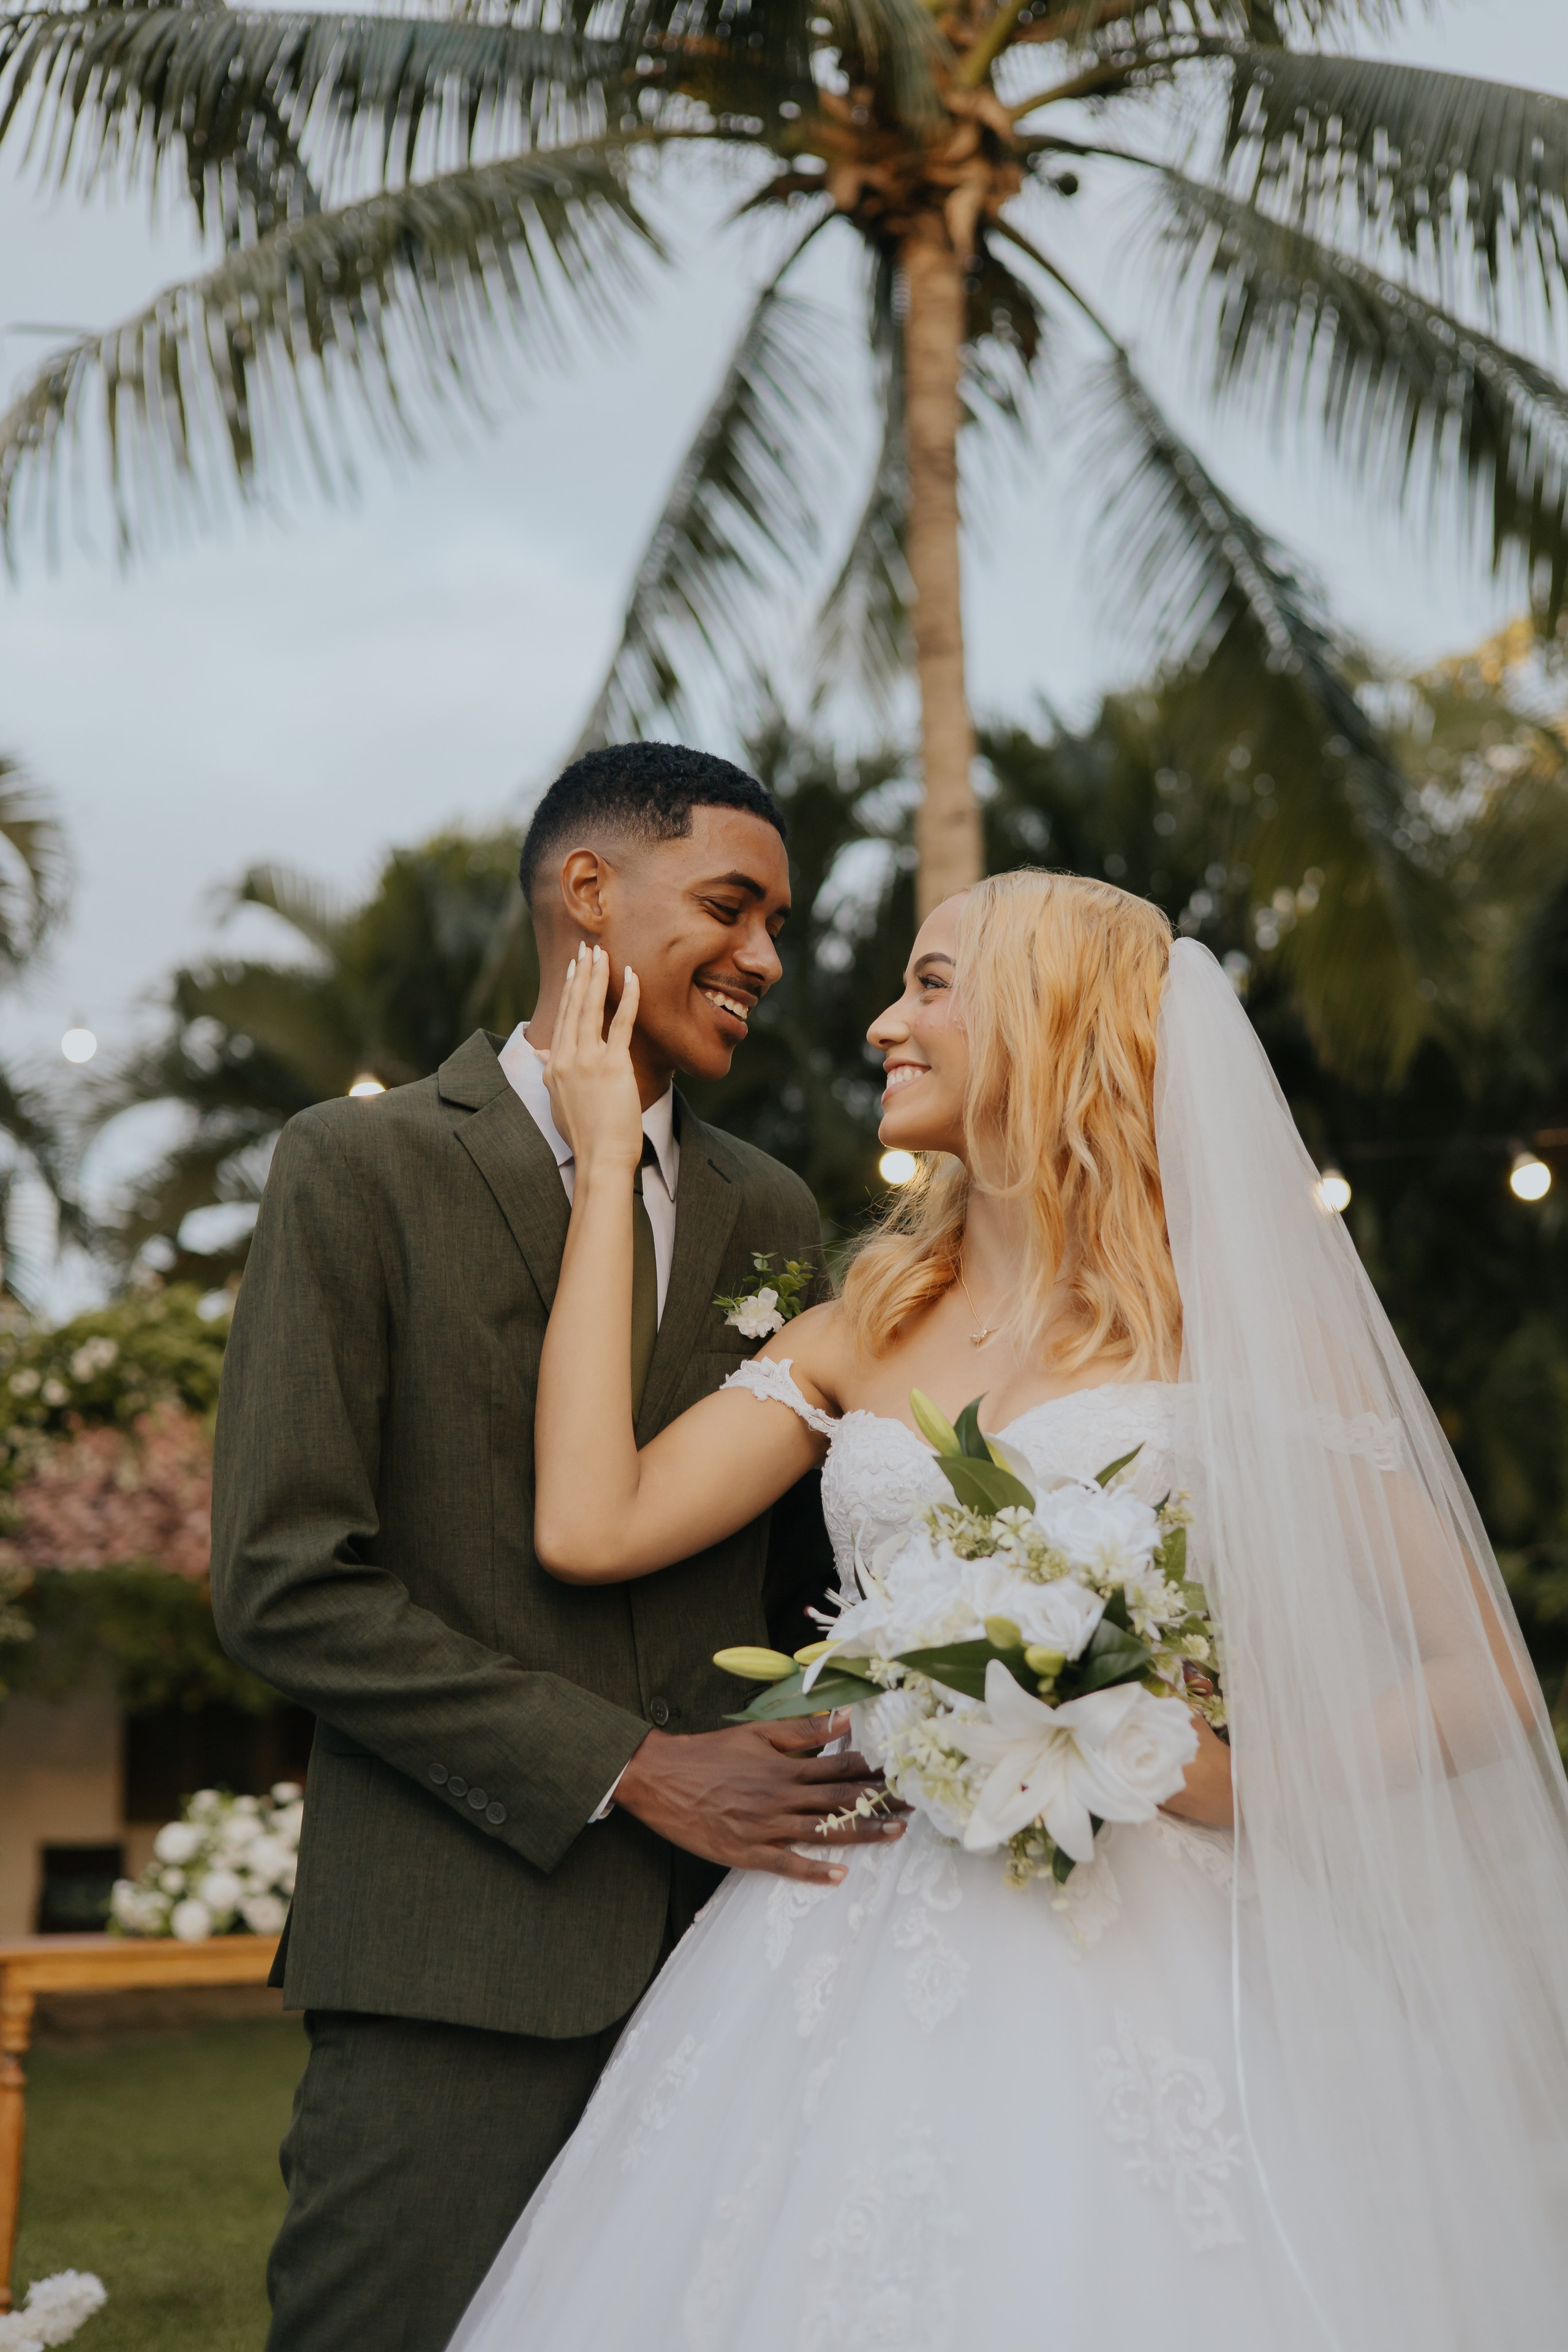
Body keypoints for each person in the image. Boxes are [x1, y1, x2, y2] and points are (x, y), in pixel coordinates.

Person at [450, 870, 1568, 2352]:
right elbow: (590, 1523)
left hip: (1163, 1939)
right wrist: (605, 1166)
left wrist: (1218, 1775)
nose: (876, 1024)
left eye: (927, 985)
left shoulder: (1236, 1325)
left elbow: (1480, 1673)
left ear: (1046, 1017)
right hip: (844, 1944)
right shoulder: (865, 1323)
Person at [209, 742, 894, 2352]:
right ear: (588, 890)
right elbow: (286, 1581)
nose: (768, 963)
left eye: (779, 925)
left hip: (747, 1954)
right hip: (459, 1962)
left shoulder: (776, 1211)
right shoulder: (359, 1167)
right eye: (731, 908)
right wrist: (631, 1762)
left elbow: (805, 1575)